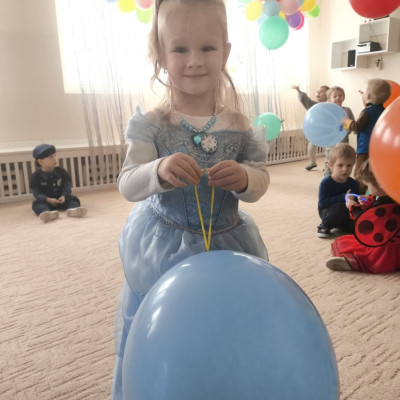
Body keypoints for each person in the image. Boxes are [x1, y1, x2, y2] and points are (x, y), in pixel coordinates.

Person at [111, 0, 269, 398]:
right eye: (180, 49)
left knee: (225, 325)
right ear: (160, 55)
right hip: (166, 247)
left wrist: (244, 178)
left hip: (228, 242)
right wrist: (158, 170)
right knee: (169, 328)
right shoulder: (151, 125)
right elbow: (128, 183)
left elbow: (260, 181)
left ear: (225, 52)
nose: (194, 60)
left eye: (207, 48)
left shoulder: (241, 126)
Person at [326, 160, 400, 273]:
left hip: (385, 249)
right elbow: (377, 203)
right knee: (346, 241)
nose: (368, 189)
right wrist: (368, 200)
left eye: (368, 185)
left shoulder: (384, 205)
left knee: (349, 245)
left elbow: (364, 223)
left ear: (380, 184)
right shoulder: (393, 195)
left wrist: (352, 207)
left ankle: (353, 262)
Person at [341, 78, 391, 194]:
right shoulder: (385, 111)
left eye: (364, 91)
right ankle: (375, 192)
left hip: (365, 149)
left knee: (360, 173)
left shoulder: (367, 112)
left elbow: (357, 126)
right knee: (374, 172)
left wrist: (346, 122)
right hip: (380, 149)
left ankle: (358, 195)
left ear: (367, 95)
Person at [29, 144, 87, 222]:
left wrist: (64, 195)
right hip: (46, 201)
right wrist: (47, 199)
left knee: (73, 199)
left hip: (61, 199)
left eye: (55, 156)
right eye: (51, 157)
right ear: (40, 161)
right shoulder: (35, 176)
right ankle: (47, 213)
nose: (55, 159)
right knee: (36, 204)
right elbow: (36, 192)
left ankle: (73, 210)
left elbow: (67, 185)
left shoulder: (61, 171)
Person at [317, 143, 359, 238]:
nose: (345, 169)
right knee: (340, 208)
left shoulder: (353, 183)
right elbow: (323, 203)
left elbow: (356, 201)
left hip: (347, 212)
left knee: (360, 218)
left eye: (349, 165)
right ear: (331, 166)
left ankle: (344, 226)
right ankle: (324, 226)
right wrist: (344, 198)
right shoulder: (326, 182)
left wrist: (358, 200)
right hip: (328, 211)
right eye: (340, 165)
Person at [291, 84, 329, 170]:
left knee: (328, 150)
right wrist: (299, 91)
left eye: (321, 91)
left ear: (328, 95)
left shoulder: (330, 106)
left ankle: (328, 165)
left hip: (326, 133)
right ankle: (313, 162)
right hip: (316, 132)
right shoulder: (314, 105)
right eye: (317, 91)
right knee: (311, 148)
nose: (318, 93)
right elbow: (306, 100)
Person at [324, 86, 355, 176]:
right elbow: (324, 125)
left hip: (344, 142)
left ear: (343, 98)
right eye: (335, 96)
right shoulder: (327, 111)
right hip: (331, 142)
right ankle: (327, 177)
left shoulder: (347, 110)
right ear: (329, 99)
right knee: (330, 160)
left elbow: (352, 124)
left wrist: (345, 126)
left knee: (343, 159)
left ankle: (343, 178)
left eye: (340, 95)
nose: (338, 97)